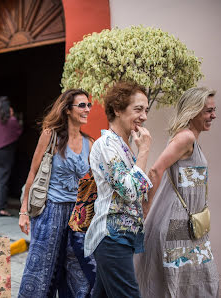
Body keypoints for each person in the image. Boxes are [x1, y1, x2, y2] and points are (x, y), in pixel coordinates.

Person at [135, 87, 219, 297]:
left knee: (187, 283)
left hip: (189, 225)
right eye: (208, 111)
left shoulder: (190, 139)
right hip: (178, 225)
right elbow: (155, 170)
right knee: (183, 284)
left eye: (213, 110)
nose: (213, 115)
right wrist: (145, 209)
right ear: (194, 110)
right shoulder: (186, 137)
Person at [18, 89, 96, 297]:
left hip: (77, 216)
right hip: (50, 211)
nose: (87, 109)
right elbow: (33, 173)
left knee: (77, 269)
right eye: (82, 105)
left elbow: (92, 184)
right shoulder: (50, 136)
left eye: (89, 105)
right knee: (41, 269)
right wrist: (24, 210)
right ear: (67, 110)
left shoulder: (90, 143)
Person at [84, 82, 152, 298]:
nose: (144, 116)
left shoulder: (125, 147)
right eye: (138, 109)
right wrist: (144, 152)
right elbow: (130, 191)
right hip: (112, 237)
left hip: (122, 237)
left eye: (146, 110)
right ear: (117, 110)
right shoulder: (106, 145)